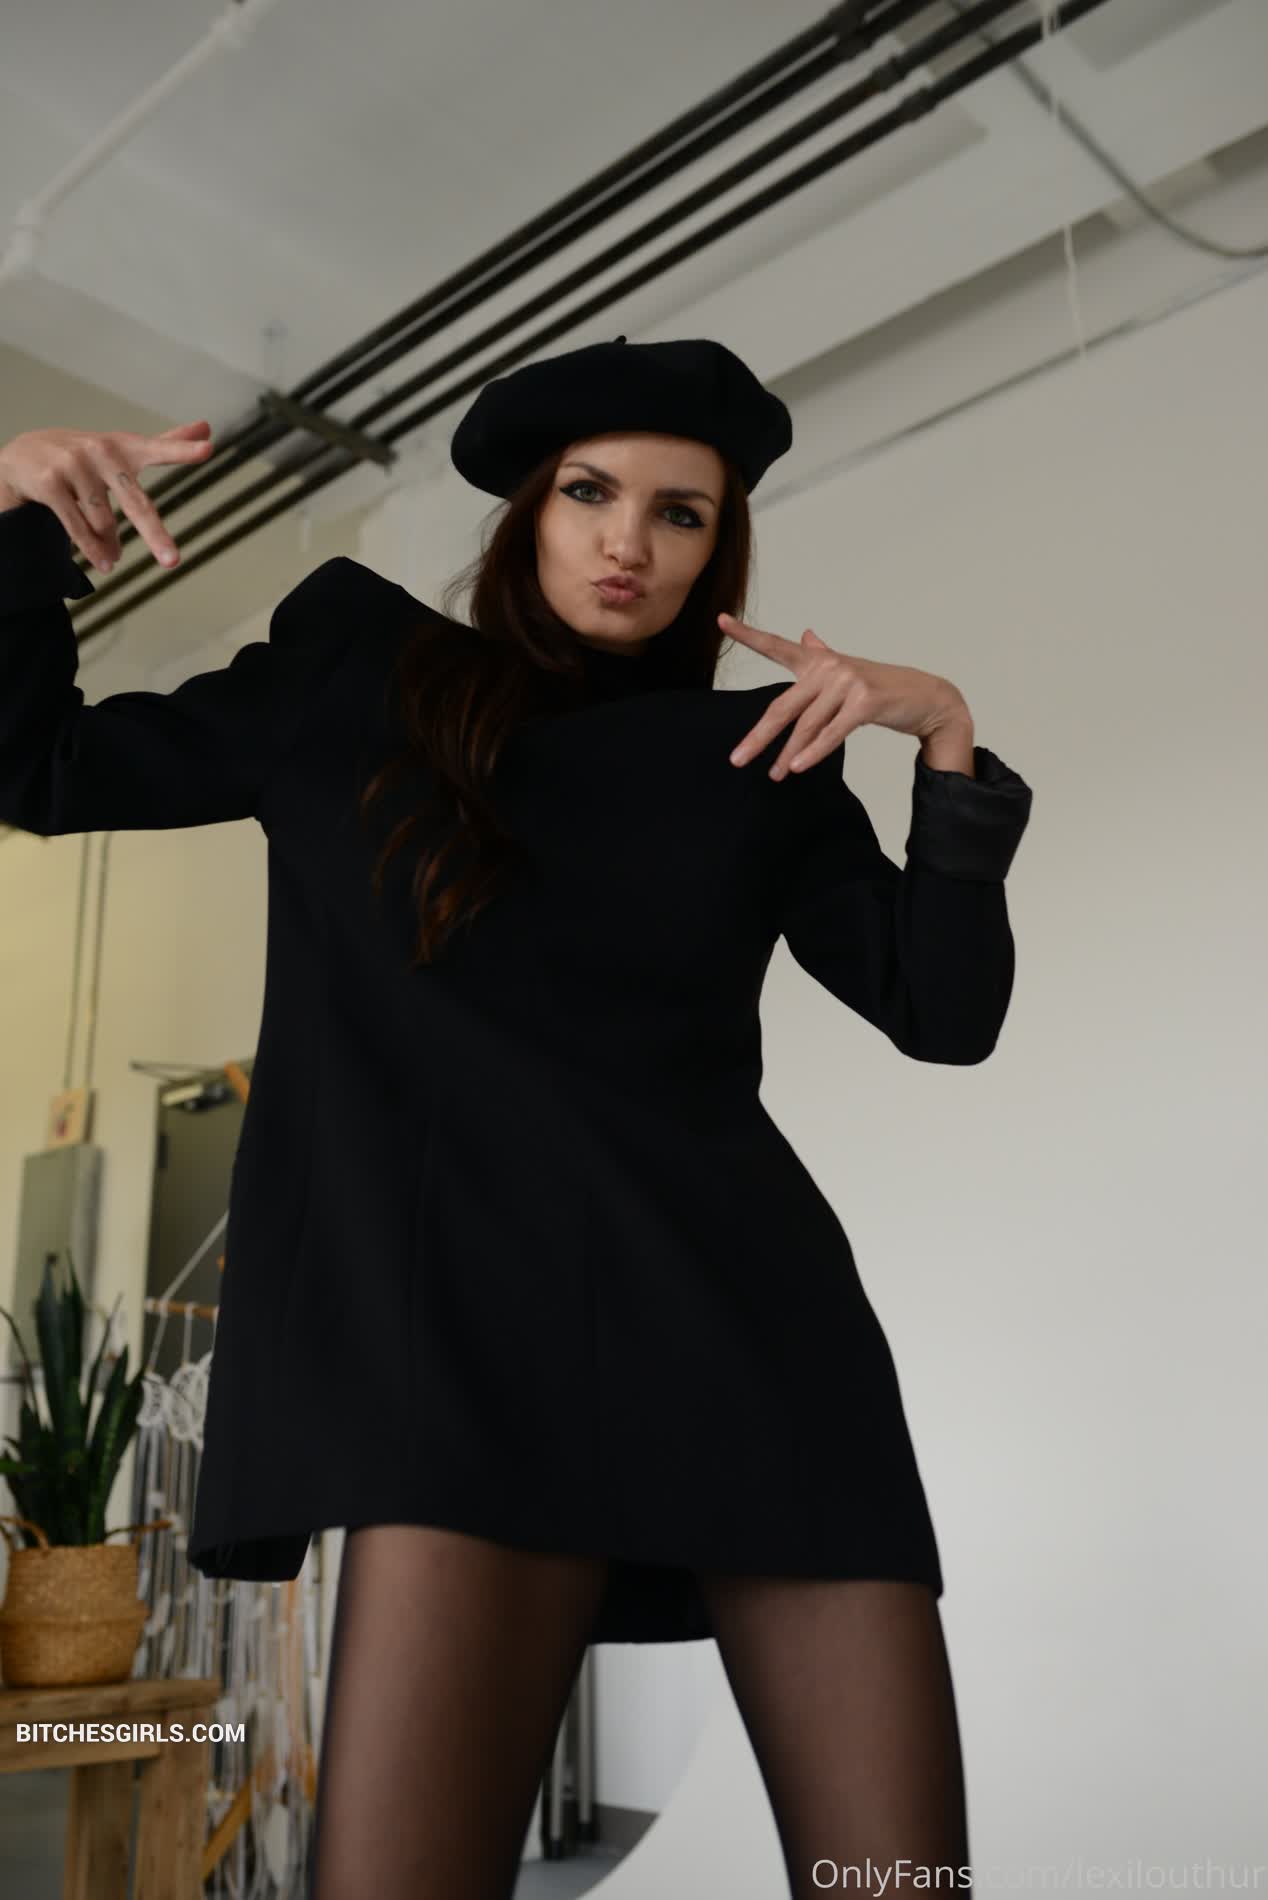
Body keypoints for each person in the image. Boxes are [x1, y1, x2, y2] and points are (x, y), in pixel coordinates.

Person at [0, 335, 1032, 1900]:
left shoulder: (763, 759)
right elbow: (40, 767)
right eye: (590, 493)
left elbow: (945, 1018)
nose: (629, 542)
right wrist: (17, 522)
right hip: (461, 1367)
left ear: (718, 550)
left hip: (753, 1346)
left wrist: (947, 739)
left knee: (898, 1888)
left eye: (680, 514)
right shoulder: (361, 683)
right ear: (529, 513)